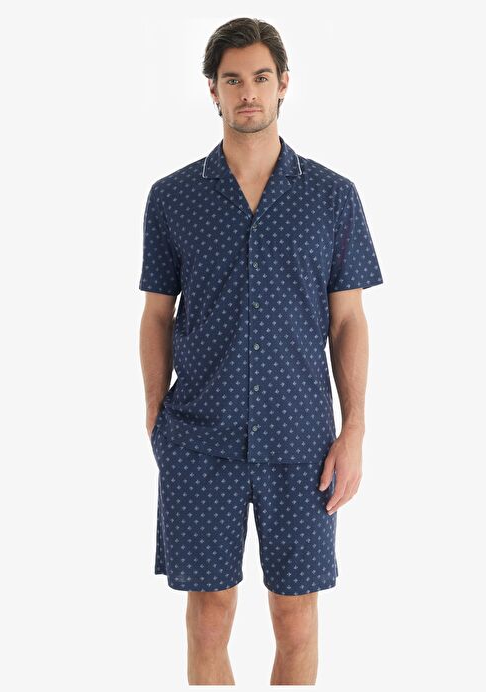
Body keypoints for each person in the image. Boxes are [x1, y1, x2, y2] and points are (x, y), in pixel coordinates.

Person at [139, 17, 383, 685]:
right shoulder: (172, 198)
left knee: (296, 617)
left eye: (260, 77)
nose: (247, 91)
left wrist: (354, 429)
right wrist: (155, 412)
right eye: (232, 79)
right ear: (212, 90)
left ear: (283, 85)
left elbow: (349, 320)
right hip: (198, 439)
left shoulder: (332, 197)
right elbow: (156, 313)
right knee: (208, 615)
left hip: (302, 441)